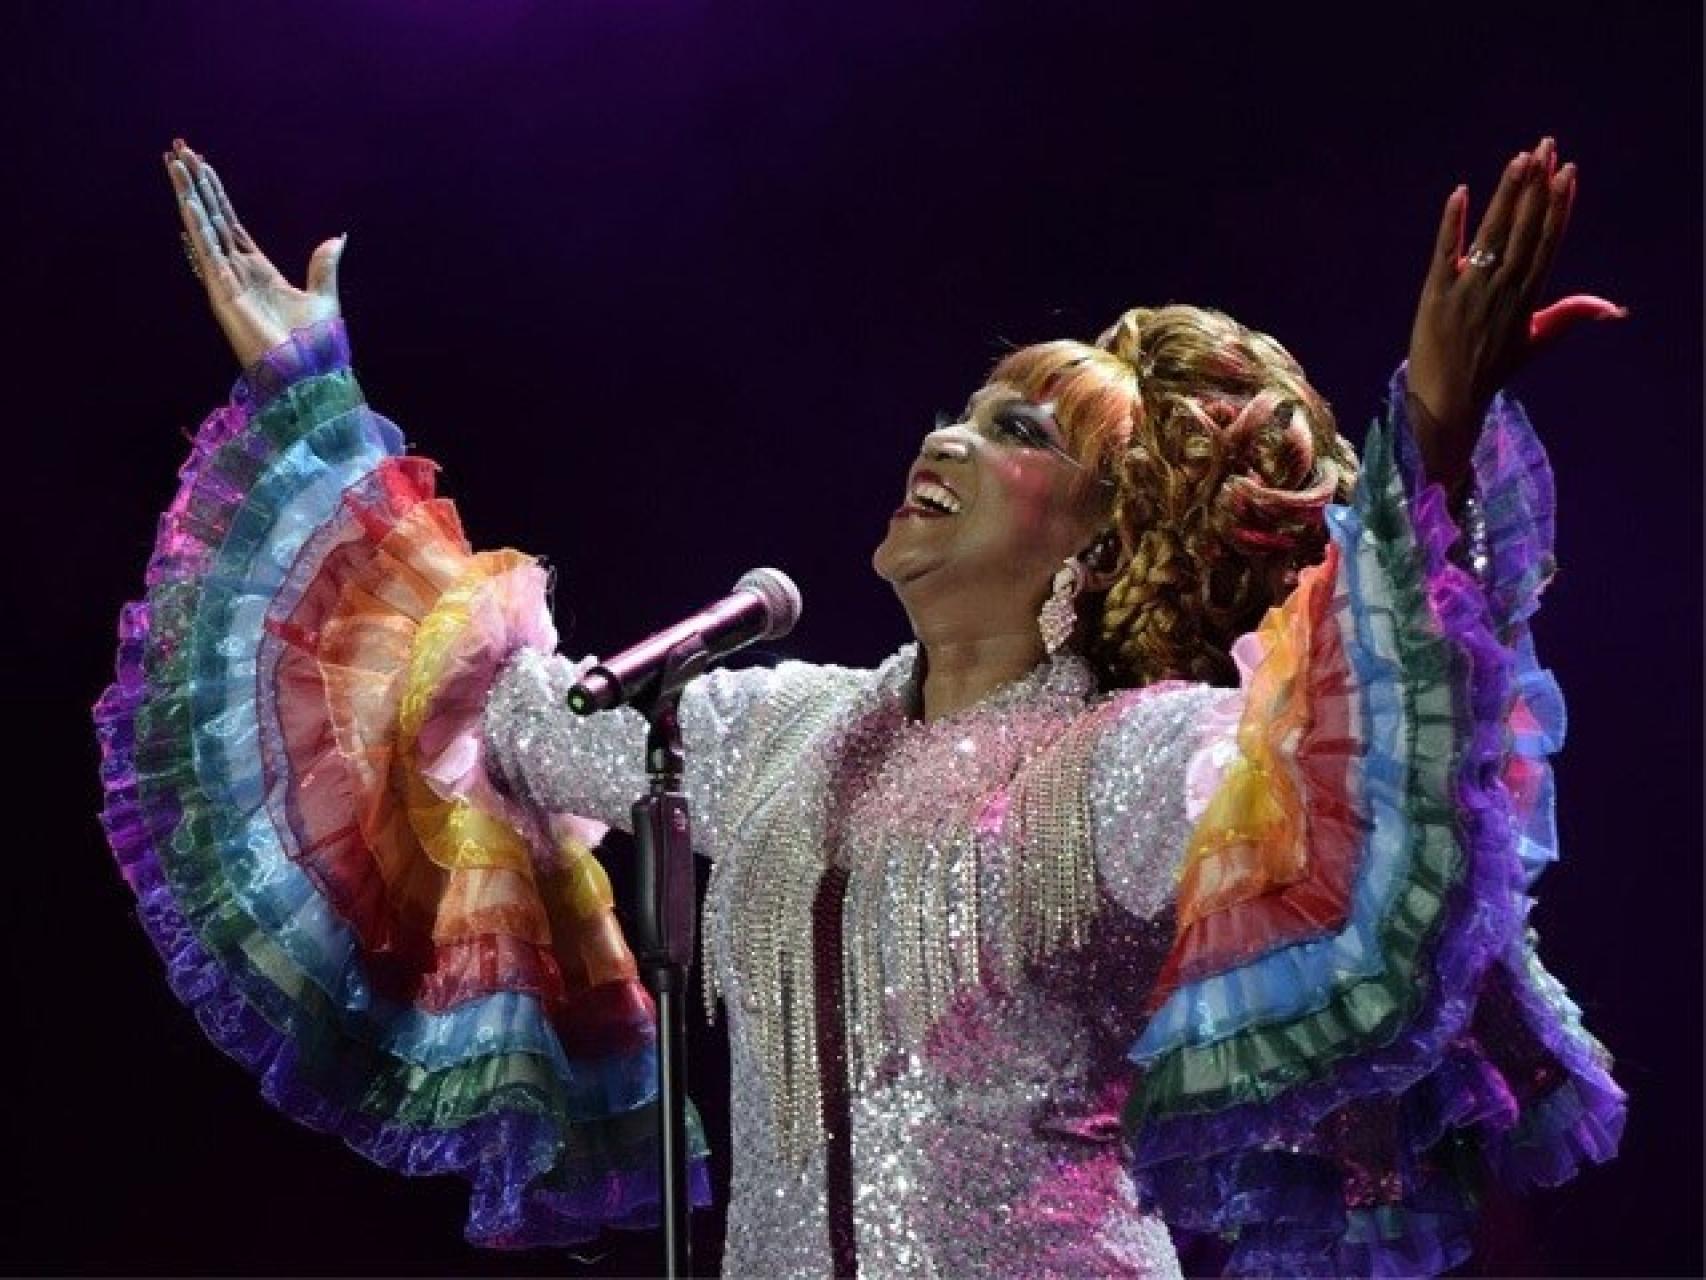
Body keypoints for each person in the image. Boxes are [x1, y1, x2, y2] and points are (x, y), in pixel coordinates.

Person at [95, 135, 1626, 1277]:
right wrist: (313, 400)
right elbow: (486, 705)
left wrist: (1428, 426)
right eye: (961, 407)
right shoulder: (764, 725)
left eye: (1014, 429)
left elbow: (1353, 776)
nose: (945, 438)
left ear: (1103, 530)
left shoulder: (1131, 761)